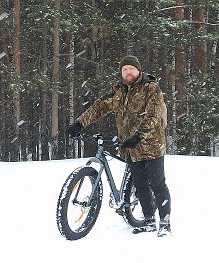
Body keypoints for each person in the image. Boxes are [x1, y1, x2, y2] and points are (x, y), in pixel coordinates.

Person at [68, 55, 171, 237]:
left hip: (152, 145)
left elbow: (155, 117)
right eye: (124, 69)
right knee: (140, 185)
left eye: (131, 68)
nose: (128, 72)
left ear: (138, 70)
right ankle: (148, 221)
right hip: (130, 147)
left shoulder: (151, 88)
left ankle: (165, 223)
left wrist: (139, 136)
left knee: (157, 184)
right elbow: (99, 107)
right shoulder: (118, 90)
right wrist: (80, 123)